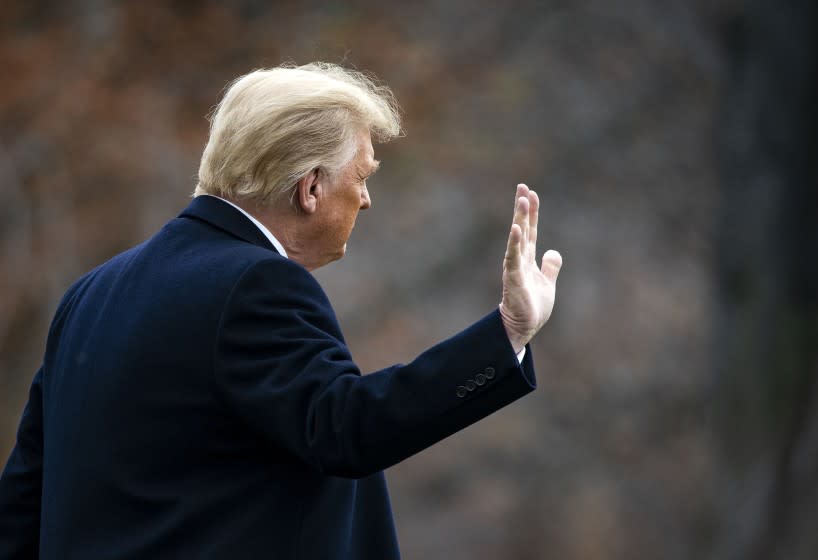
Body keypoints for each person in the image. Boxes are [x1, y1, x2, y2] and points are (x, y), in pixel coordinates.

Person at [0, 62, 562, 559]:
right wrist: (508, 331)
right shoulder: (257, 284)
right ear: (310, 187)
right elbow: (348, 428)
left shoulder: (90, 294)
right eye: (362, 176)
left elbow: (23, 500)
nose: (366, 198)